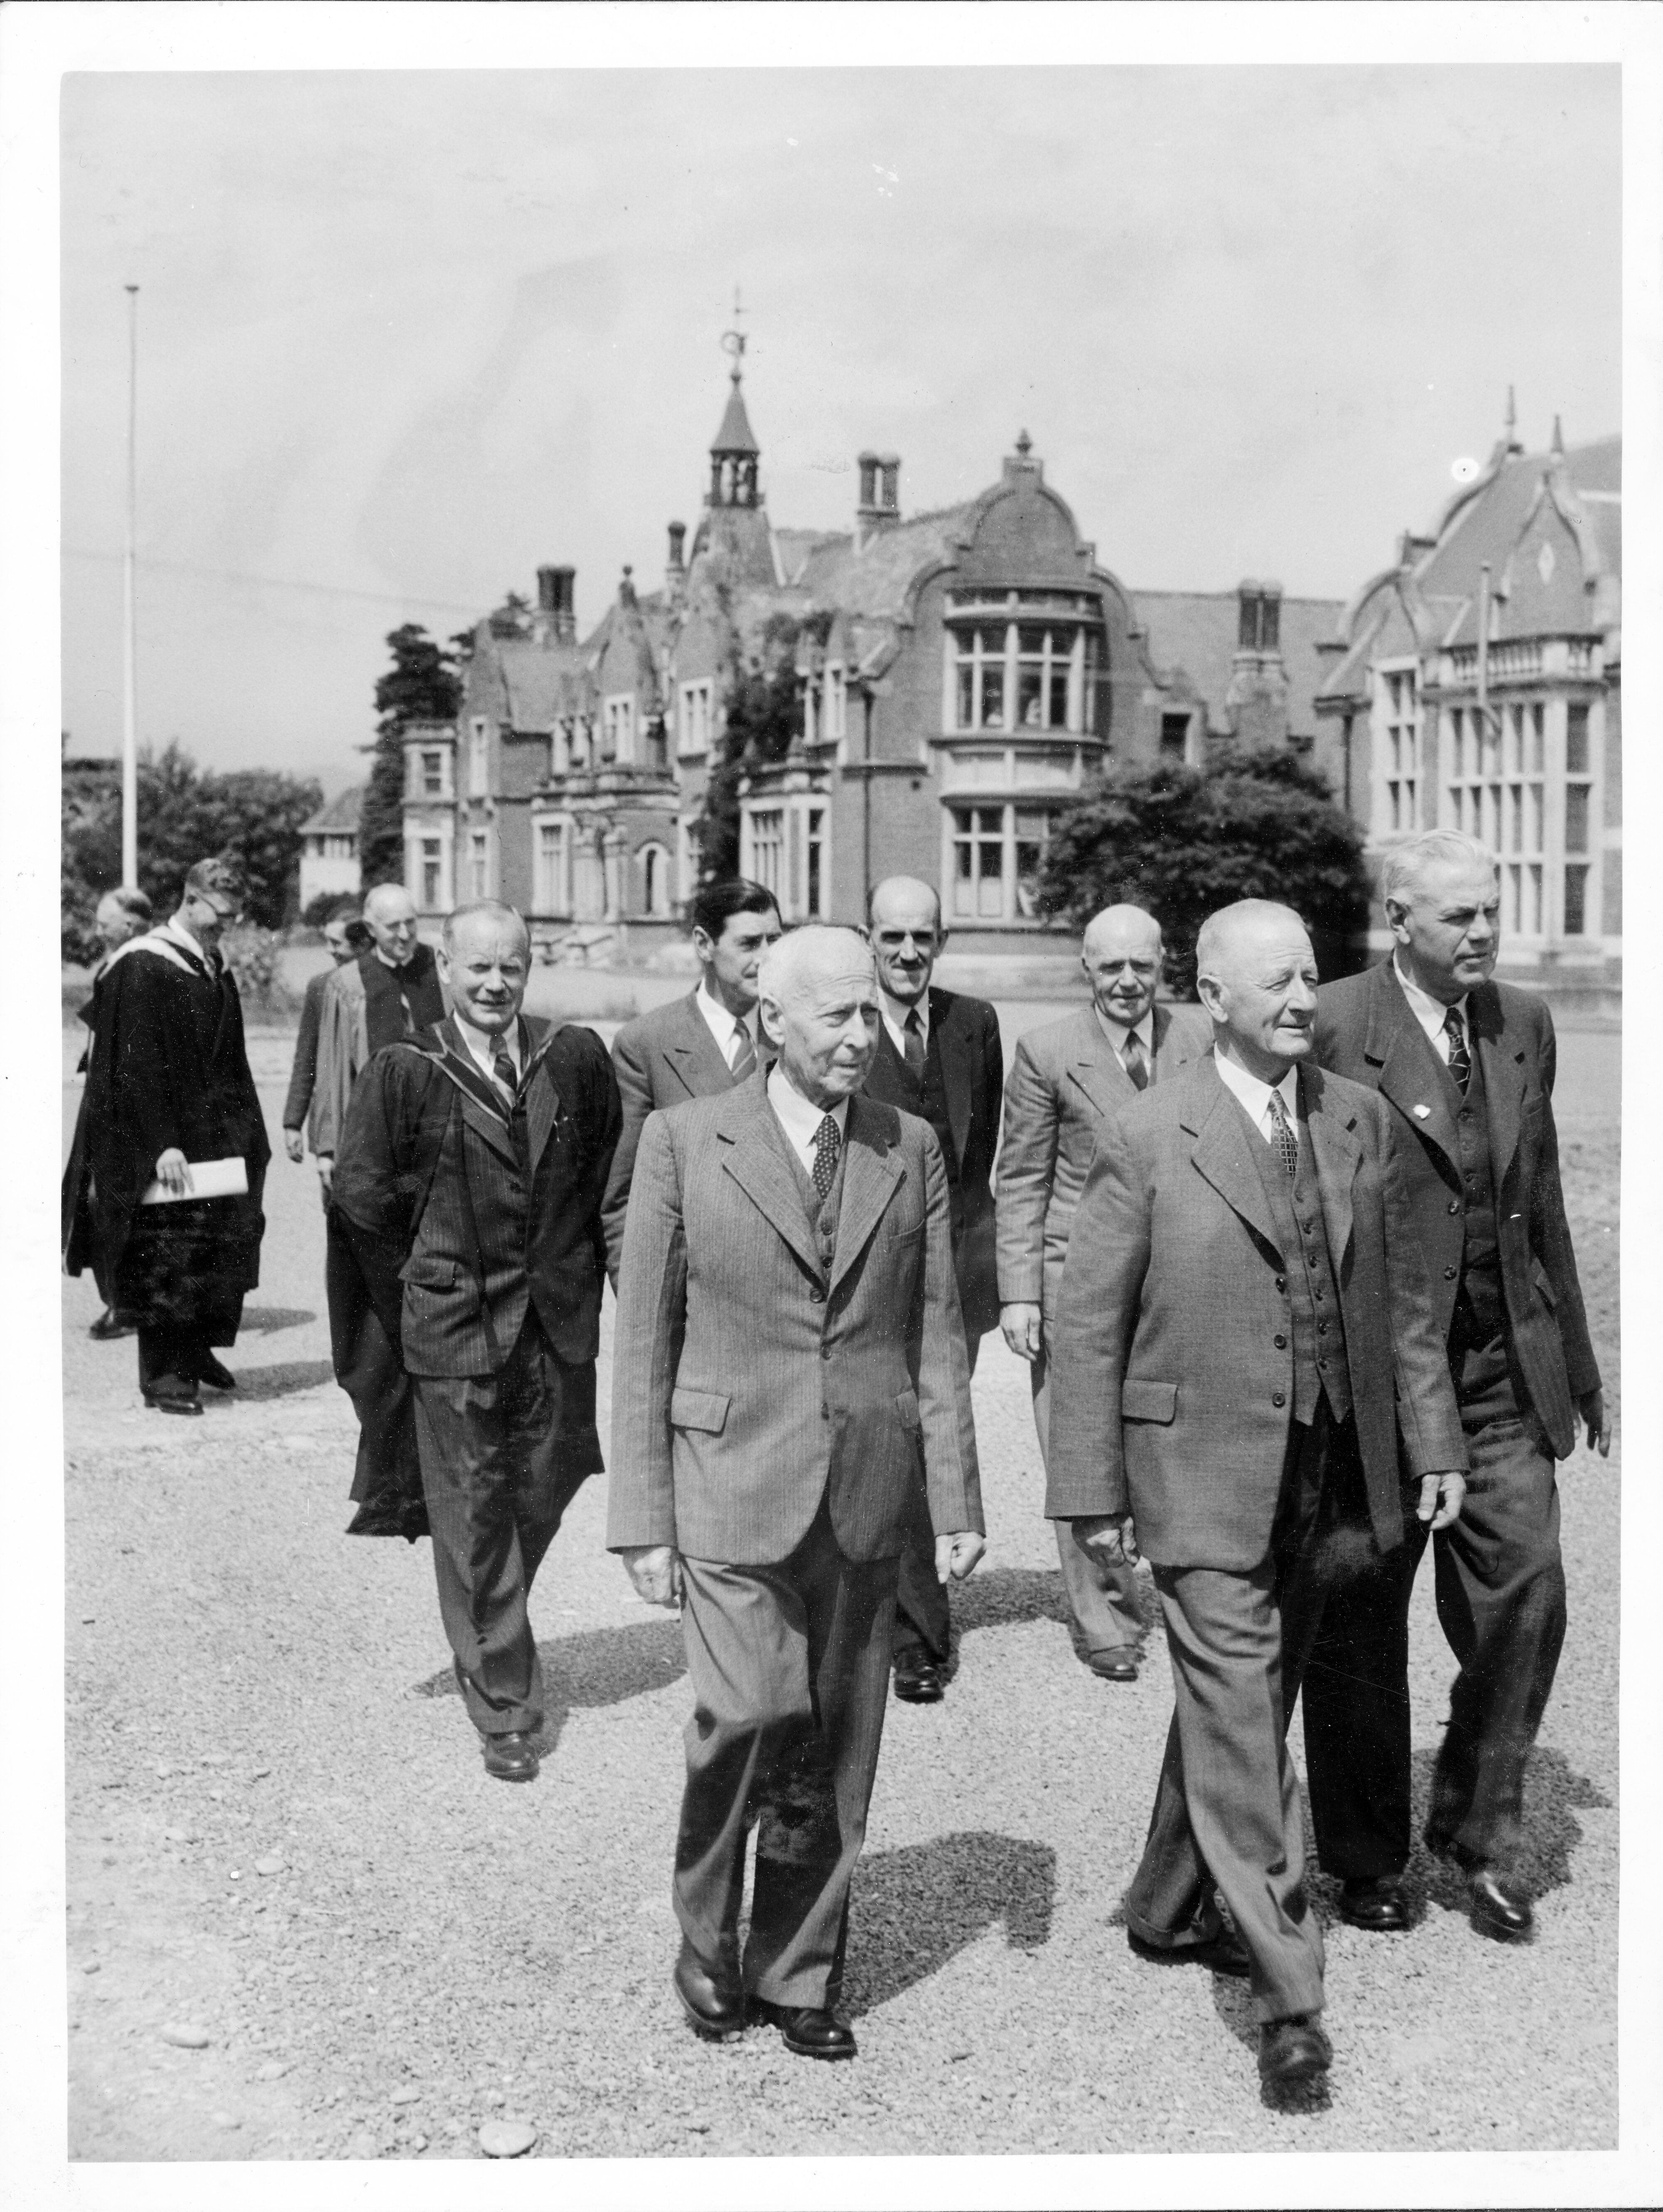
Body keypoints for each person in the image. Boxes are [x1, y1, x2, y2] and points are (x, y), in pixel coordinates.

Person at [1047, 899, 1465, 2093]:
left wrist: (1429, 1440)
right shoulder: (1145, 1135)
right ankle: (1289, 1995)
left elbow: (1408, 1306)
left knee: (1254, 1697)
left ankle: (1168, 1902)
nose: (1299, 999)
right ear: (1212, 996)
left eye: (1309, 978)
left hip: (1329, 1479)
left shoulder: (1357, 1120)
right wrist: (1090, 1511)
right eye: (1274, 982)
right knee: (1243, 1721)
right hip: (1199, 1474)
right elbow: (1089, 1334)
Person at [609, 924, 983, 2062]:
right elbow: (646, 1341)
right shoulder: (682, 1140)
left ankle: (801, 1969)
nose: (862, 1038)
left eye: (871, 1015)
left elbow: (934, 1330)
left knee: (842, 1739)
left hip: (866, 1482)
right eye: (837, 1017)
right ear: (773, 1021)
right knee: (750, 1713)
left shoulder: (905, 1144)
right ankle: (707, 1933)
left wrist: (957, 1499)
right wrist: (642, 1519)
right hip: (727, 1481)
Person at [1308, 829, 1607, 1942]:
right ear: (1402, 922)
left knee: (1528, 1595)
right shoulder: (1335, 1023)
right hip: (1377, 1388)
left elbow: (1545, 1208)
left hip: (1499, 1376)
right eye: (1459, 915)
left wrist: (1578, 1368)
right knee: (1359, 1619)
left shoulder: (1522, 1022)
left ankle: (1480, 1837)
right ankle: (1365, 1854)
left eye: (1491, 911)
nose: (1483, 930)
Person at [329, 901, 621, 1781]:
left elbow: (604, 1175)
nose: (495, 984)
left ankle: (492, 1624)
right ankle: (504, 1703)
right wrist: (425, 1284)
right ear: (446, 968)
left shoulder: (569, 1059)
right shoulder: (408, 1069)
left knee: (546, 1481)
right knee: (470, 1511)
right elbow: (362, 1200)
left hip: (555, 1325)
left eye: (512, 968)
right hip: (453, 1327)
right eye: (478, 968)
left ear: (529, 970)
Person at [995, 904, 1211, 1680]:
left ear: (1164, 967)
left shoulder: (1200, 1039)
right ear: (1086, 969)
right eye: (1111, 967)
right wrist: (1019, 1292)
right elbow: (1020, 1176)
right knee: (1080, 1445)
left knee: (1171, 1441)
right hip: (1074, 1280)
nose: (1127, 982)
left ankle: (1189, 1594)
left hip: (1176, 1277)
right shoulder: (1047, 1051)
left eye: (1142, 967)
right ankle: (1105, 1617)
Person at [859, 875, 1002, 1706]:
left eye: (923, 937)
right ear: (866, 940)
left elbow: (977, 1157)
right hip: (870, 1277)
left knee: (927, 1438)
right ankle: (910, 1628)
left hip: (952, 1275)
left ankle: (912, 1623)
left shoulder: (971, 1023)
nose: (909, 953)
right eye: (892, 939)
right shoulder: (841, 1024)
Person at [62, 856, 270, 1416]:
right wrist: (162, 1143)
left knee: (215, 1245)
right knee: (167, 1253)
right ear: (192, 899)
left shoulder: (210, 963)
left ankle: (197, 1352)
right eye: (218, 915)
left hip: (216, 1136)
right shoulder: (144, 965)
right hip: (168, 1141)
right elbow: (135, 1066)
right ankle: (165, 1377)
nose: (223, 925)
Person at [600, 879, 782, 1279]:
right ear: (704, 945)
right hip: (696, 1292)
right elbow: (624, 1199)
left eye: (776, 942)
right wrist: (645, 1306)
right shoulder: (647, 1044)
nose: (769, 958)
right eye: (751, 944)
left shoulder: (797, 1037)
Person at [309, 883, 447, 1196]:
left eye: (410, 922)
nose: (404, 934)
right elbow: (332, 1072)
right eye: (393, 926)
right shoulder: (347, 983)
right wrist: (328, 1149)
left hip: (434, 1133)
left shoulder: (441, 970)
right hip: (373, 1134)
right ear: (371, 929)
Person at [66, 885, 155, 1340]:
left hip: (126, 1107)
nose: (98, 931)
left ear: (130, 924)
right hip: (98, 1101)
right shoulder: (113, 964)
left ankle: (125, 1303)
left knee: (115, 1201)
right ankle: (117, 1299)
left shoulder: (143, 966)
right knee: (89, 1199)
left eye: (105, 923)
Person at [281, 902, 367, 1206]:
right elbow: (306, 1059)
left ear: (363, 945)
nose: (330, 951)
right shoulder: (321, 987)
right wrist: (293, 1123)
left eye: (337, 943)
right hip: (333, 1117)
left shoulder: (383, 988)